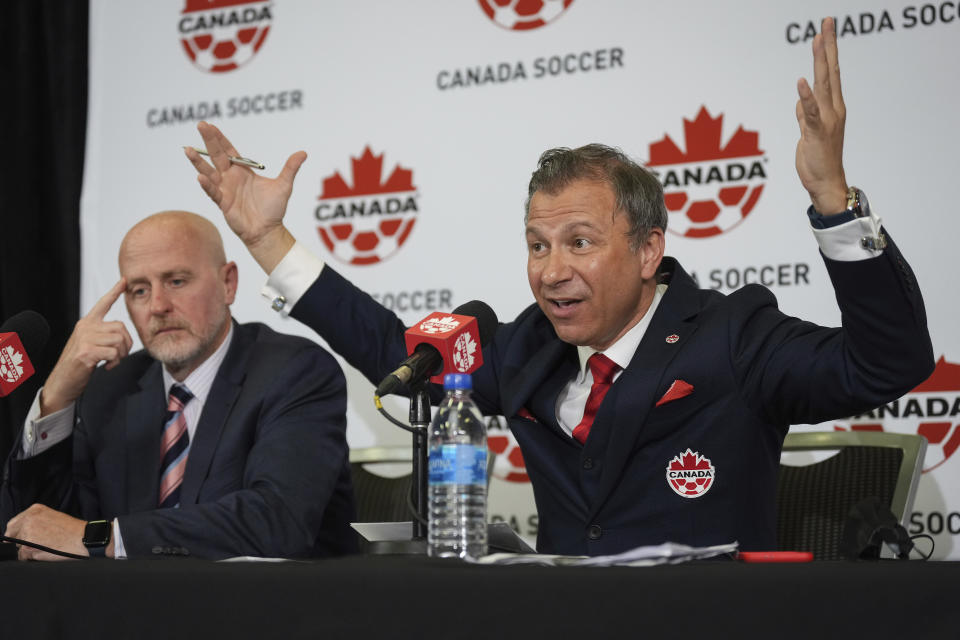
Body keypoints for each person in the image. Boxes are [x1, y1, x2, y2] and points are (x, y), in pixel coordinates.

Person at [184, 18, 933, 555]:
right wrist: (266, 240)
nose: (550, 271)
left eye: (579, 243)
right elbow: (392, 348)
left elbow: (888, 364)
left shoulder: (734, 335)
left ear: (648, 251)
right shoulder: (527, 350)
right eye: (537, 245)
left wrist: (834, 202)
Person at [1, 211, 356, 560]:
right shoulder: (109, 389)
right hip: (128, 614)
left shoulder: (294, 372)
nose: (158, 306)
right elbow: (36, 528)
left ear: (228, 283)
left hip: (268, 612)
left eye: (177, 281)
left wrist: (104, 538)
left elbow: (279, 521)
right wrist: (56, 399)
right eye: (139, 290)